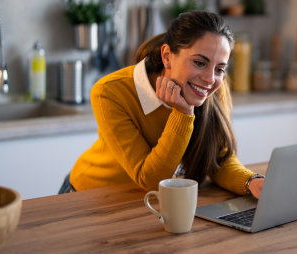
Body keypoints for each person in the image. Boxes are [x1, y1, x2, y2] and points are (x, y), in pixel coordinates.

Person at [59, 11, 264, 198]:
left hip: (147, 203)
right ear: (167, 56)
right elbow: (150, 180)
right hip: (88, 197)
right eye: (200, 63)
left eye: (220, 69)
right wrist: (183, 113)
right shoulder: (110, 91)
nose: (210, 79)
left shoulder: (210, 88)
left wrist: (252, 182)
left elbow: (217, 160)